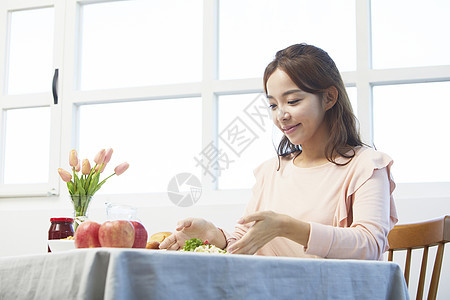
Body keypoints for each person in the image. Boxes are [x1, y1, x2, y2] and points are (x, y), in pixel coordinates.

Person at [160, 43, 398, 260]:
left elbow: (370, 244)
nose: (281, 115)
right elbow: (243, 246)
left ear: (329, 97)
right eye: (273, 104)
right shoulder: (271, 172)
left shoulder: (366, 166)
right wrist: (214, 236)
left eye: (293, 101)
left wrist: (285, 226)